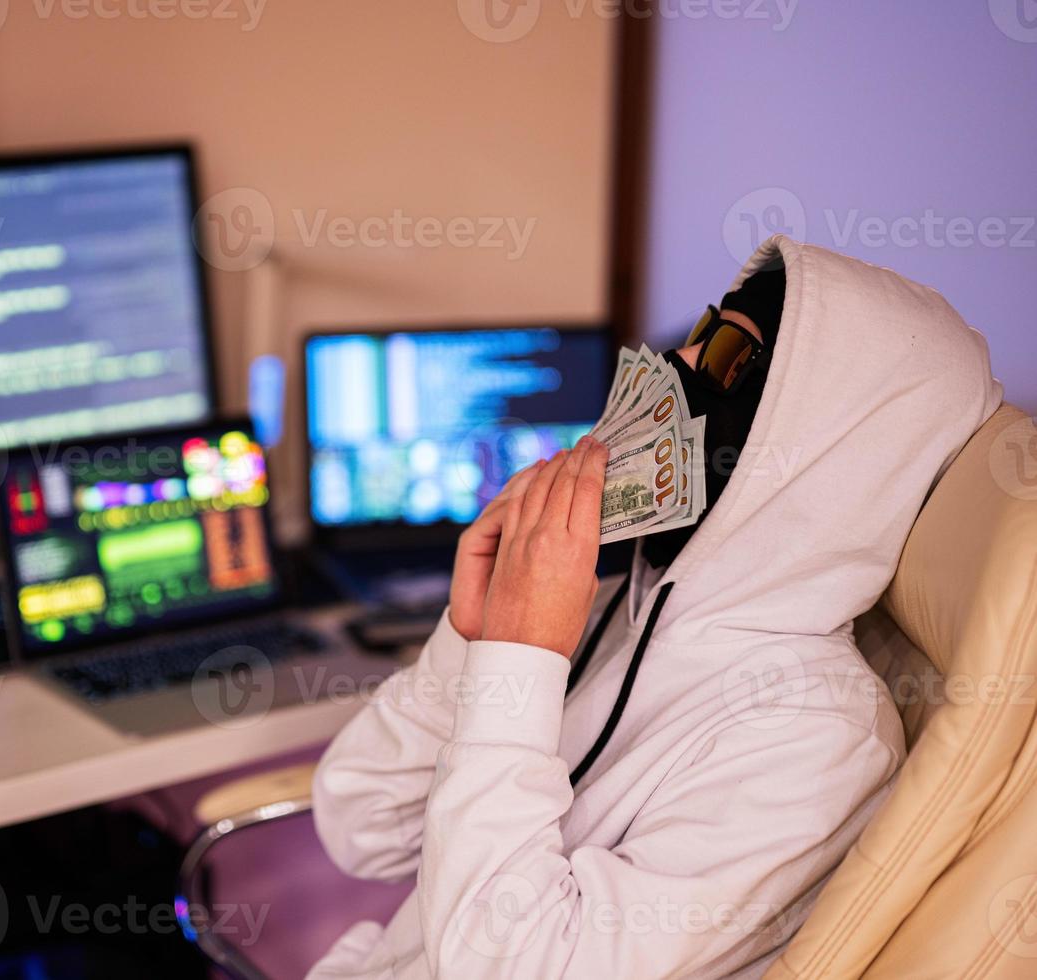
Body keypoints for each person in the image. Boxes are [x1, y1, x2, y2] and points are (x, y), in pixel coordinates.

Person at [306, 235, 1004, 979]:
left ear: (823, 443)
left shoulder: (815, 741)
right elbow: (363, 828)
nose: (676, 368)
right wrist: (470, 638)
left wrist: (522, 653)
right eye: (703, 330)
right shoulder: (620, 606)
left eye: (731, 353)